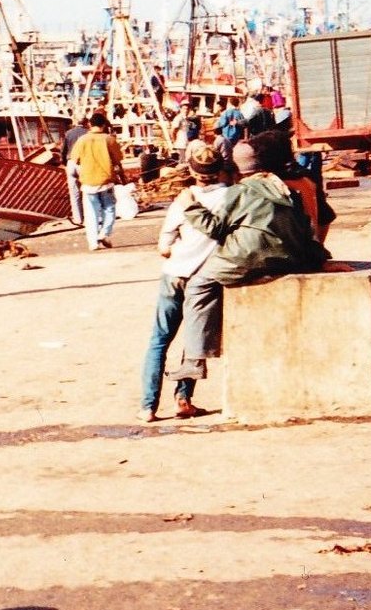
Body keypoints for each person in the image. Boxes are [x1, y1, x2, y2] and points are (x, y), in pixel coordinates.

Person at [168, 133, 330, 382]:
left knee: (199, 285)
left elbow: (215, 228)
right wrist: (320, 259)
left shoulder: (240, 192)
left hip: (247, 259)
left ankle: (194, 359)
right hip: (294, 257)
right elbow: (312, 225)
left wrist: (190, 205)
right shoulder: (292, 186)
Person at [140, 140, 229, 422]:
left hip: (173, 273)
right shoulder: (232, 198)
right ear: (220, 170)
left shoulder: (183, 199)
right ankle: (183, 399)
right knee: (194, 340)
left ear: (192, 170)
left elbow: (164, 245)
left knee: (159, 340)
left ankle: (147, 407)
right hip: (203, 278)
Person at [67, 111, 127, 251]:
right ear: (104, 125)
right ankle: (104, 233)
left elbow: (75, 160)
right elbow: (118, 159)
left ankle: (93, 243)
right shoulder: (109, 139)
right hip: (106, 180)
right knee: (110, 209)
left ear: (89, 124)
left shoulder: (82, 140)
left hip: (88, 182)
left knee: (91, 214)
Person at [61, 117, 89, 227]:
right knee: (87, 192)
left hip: (71, 163)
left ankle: (78, 219)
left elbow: (63, 150)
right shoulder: (88, 133)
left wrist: (65, 163)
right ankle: (88, 218)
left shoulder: (68, 133)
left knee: (74, 193)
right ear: (86, 123)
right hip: (84, 163)